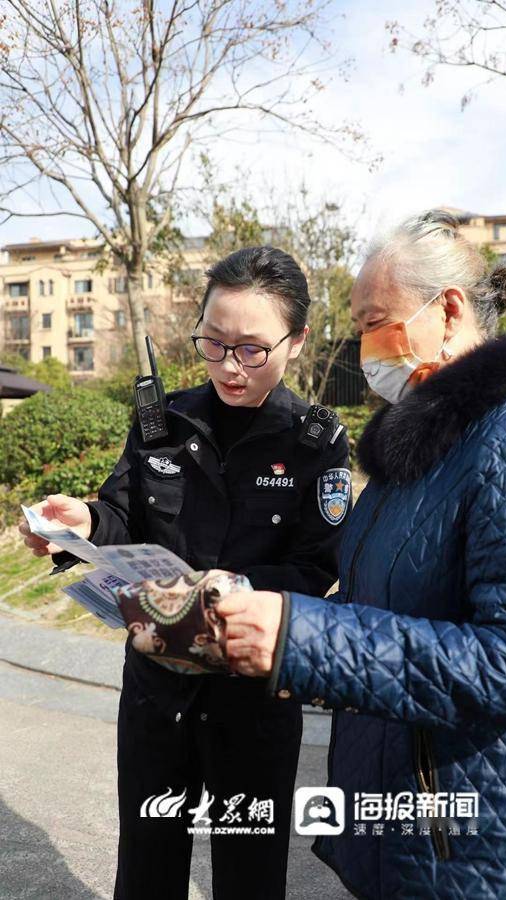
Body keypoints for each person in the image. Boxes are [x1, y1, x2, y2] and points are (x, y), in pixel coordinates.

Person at [216, 212, 506, 899]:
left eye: (375, 321)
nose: (365, 346)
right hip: (410, 830)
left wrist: (302, 638)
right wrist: (262, 612)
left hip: (489, 844)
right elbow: (375, 607)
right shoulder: (415, 449)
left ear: (448, 311)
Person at [19, 245, 352, 900]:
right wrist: (83, 523)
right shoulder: (161, 422)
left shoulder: (315, 439)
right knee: (147, 863)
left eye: (252, 348)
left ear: (297, 339)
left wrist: (242, 590)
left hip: (254, 696)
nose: (230, 365)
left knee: (247, 873)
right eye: (213, 342)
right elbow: (122, 514)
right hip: (156, 685)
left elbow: (319, 564)